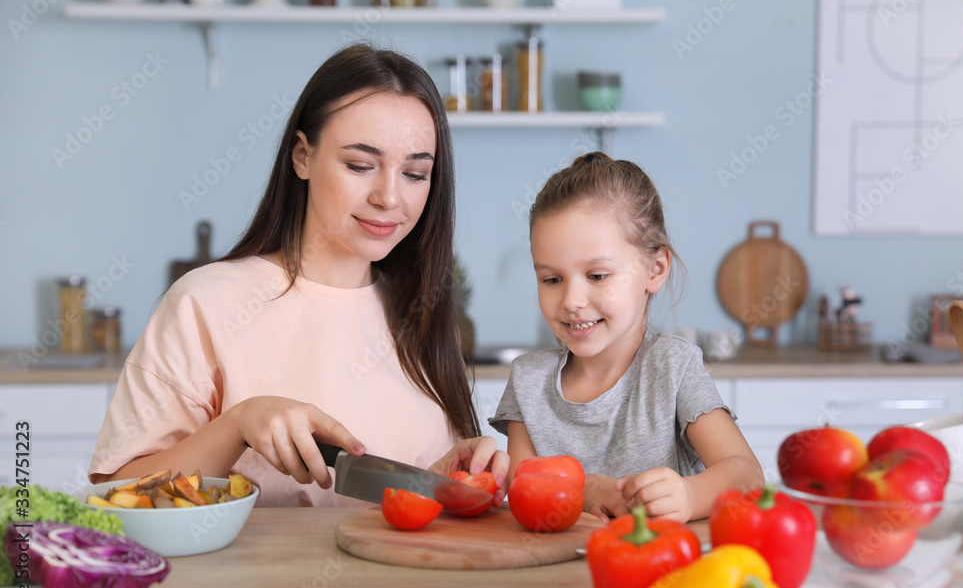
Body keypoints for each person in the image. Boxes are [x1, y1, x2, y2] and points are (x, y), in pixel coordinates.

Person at [89, 44, 508, 506]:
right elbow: (117, 497)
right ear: (302, 157)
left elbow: (407, 510)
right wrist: (236, 426)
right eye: (360, 166)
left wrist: (445, 480)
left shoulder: (421, 313)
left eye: (414, 173)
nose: (389, 197)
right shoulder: (205, 303)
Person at [489, 153, 763, 523]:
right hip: (552, 577)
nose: (571, 301)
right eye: (552, 279)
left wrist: (690, 493)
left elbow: (747, 475)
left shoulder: (673, 368)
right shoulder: (528, 381)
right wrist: (582, 490)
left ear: (655, 269)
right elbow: (523, 489)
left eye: (597, 276)